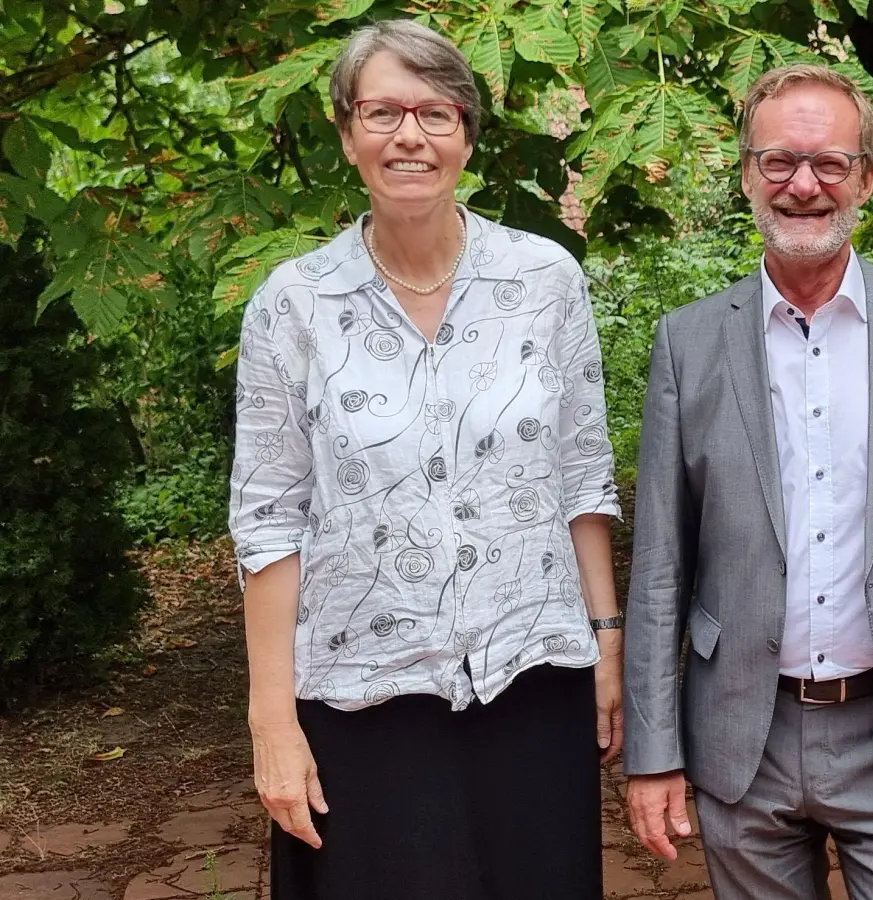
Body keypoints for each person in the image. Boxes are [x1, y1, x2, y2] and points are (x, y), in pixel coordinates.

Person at [228, 19, 621, 900]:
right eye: (382, 111)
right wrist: (271, 721)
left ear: (467, 134)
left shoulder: (546, 280)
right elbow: (266, 523)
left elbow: (582, 474)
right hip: (362, 703)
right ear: (345, 132)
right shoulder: (292, 305)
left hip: (535, 680)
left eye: (436, 112)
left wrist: (607, 648)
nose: (410, 135)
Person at [622, 64, 873, 900]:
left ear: (865, 175)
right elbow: (657, 565)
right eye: (778, 162)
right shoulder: (686, 343)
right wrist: (654, 753)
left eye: (829, 163)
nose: (804, 185)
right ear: (748, 173)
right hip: (740, 737)